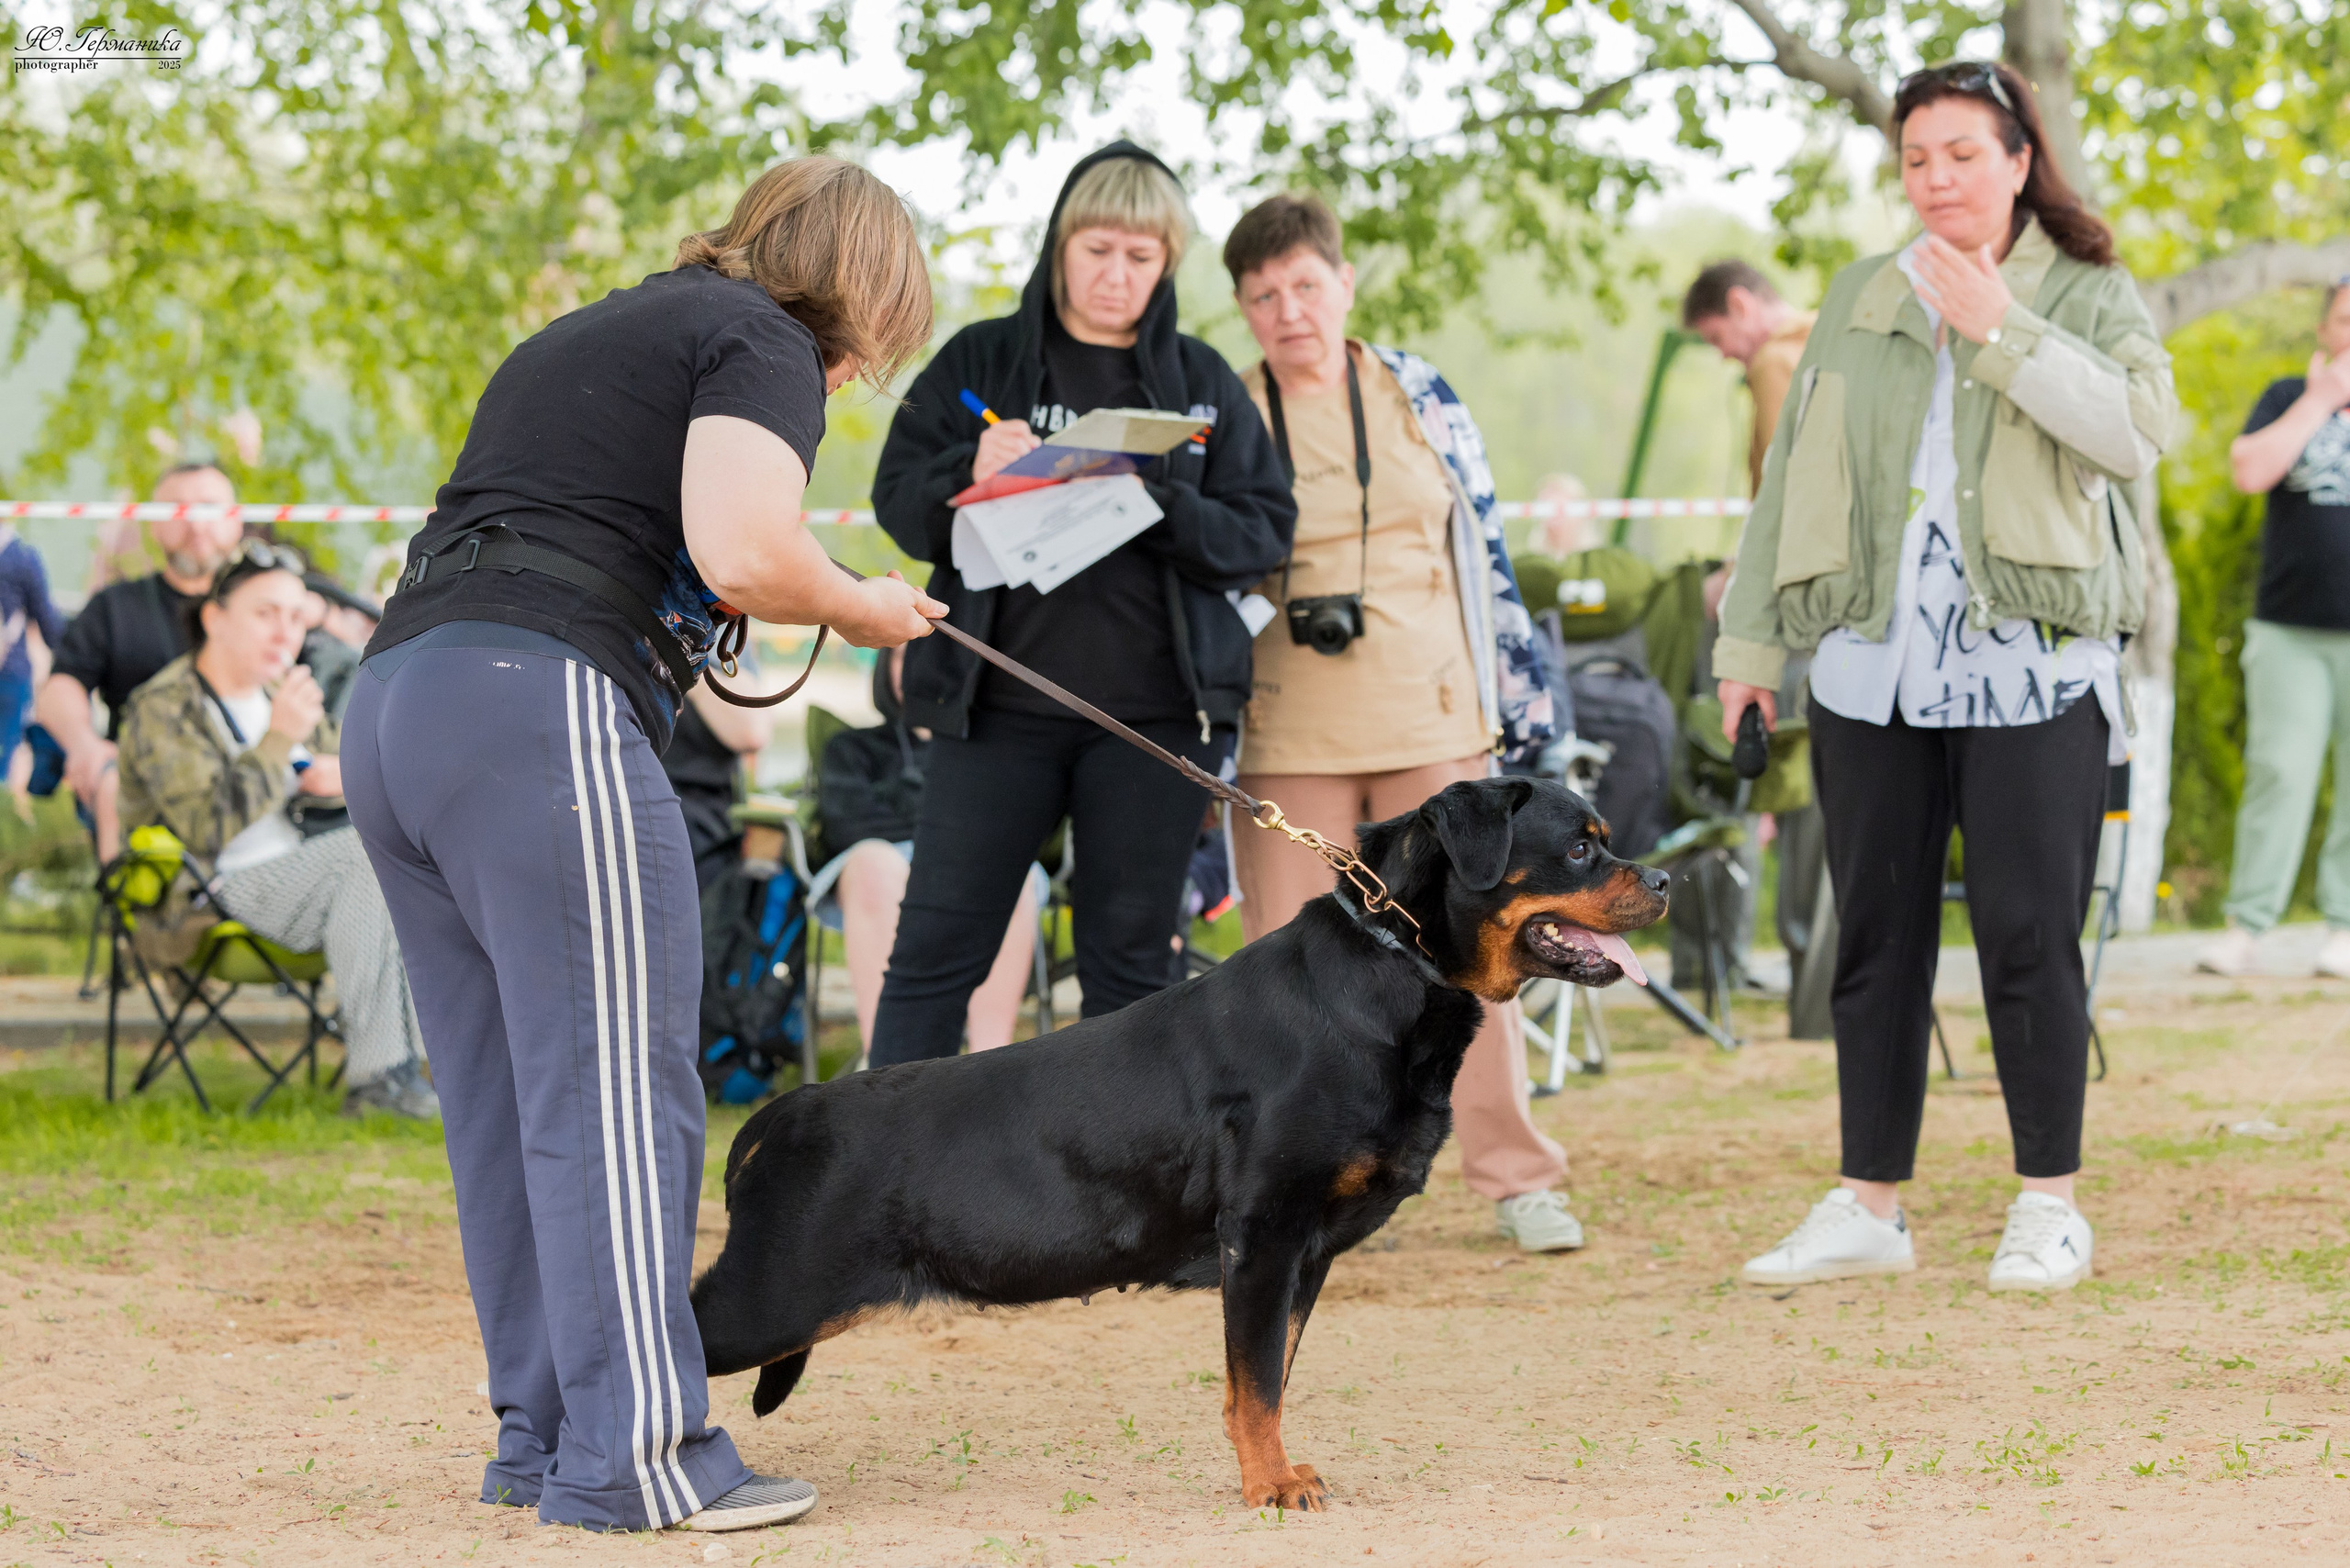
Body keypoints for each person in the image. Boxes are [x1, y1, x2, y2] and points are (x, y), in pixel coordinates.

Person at [342, 156, 943, 1534]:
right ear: (852, 290)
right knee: (615, 1087)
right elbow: (742, 546)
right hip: (534, 710)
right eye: (866, 347)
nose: (847, 380)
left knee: (505, 1102)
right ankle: (640, 1454)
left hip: (400, 705)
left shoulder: (597, 325)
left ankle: (547, 1436)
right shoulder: (761, 336)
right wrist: (853, 603)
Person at [1714, 62, 2175, 1294]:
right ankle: (1870, 1202)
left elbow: (2139, 433)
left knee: (2031, 937)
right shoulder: (1862, 293)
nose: (1937, 178)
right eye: (1918, 157)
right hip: (1872, 672)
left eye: (1964, 153)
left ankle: (2048, 1204)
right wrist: (1751, 653)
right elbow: (1788, 487)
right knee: (1875, 939)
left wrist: (2000, 329)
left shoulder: (2084, 288)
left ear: (2020, 162)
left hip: (2036, 671)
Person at [867, 142, 1293, 1066]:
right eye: (1098, 249)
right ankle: (883, 1181)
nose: (1116, 275)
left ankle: (1115, 1194)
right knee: (937, 952)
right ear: (1060, 244)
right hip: (994, 715)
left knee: (1132, 970)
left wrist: (1154, 494)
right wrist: (966, 472)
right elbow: (894, 500)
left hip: (1151, 723)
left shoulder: (1200, 381)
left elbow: (1264, 533)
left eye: (1141, 258)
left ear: (1168, 264)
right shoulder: (984, 358)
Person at [1219, 193, 1576, 1252]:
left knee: (1483, 950)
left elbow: (1488, 543)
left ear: (1345, 284)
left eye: (1305, 285)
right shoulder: (1228, 408)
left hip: (1432, 711)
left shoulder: (1418, 389)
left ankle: (1516, 1174)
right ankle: (1290, 1187)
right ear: (1243, 309)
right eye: (1263, 295)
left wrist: (1516, 692)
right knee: (1291, 972)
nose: (1290, 311)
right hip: (1288, 725)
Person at [113, 544, 436, 1119]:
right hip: (207, 899)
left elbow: (342, 772)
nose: (284, 632)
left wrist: (340, 777)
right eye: (265, 613)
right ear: (214, 616)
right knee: (364, 858)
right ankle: (380, 1080)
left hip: (302, 885)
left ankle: (412, 1068)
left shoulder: (279, 694)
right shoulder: (164, 706)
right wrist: (278, 741)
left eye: (294, 616)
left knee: (399, 851)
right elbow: (202, 828)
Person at [2199, 281, 2350, 980]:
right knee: (2279, 772)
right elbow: (2251, 470)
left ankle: (2344, 927)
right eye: (2346, 321)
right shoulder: (2287, 395)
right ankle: (2246, 926)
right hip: (2289, 629)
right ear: (2324, 330)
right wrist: (2319, 403)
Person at [806, 646, 1043, 1058]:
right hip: (881, 867)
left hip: (975, 863)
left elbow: (1015, 824)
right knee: (874, 863)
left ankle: (989, 1066)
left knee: (1010, 870)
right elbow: (848, 825)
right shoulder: (851, 749)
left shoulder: (993, 753)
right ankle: (883, 1065)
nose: (919, 664)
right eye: (901, 656)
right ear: (885, 668)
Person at [37, 462, 244, 860]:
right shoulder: (114, 607)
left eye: (209, 507)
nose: (196, 524)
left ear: (236, 520)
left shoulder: (270, 611)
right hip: (139, 781)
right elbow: (60, 689)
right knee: (113, 785)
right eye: (179, 509)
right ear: (153, 523)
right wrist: (84, 746)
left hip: (246, 774)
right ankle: (128, 914)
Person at [1683, 260, 1817, 497]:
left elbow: (1784, 486)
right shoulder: (1832, 343)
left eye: (1717, 337)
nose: (1723, 355)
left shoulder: (1773, 363)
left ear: (1739, 305)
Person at [666, 679, 781, 893]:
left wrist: (691, 673)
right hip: (661, 812)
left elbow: (753, 733)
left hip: (704, 830)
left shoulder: (723, 656)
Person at [0, 523, 66, 816]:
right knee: (6, 747)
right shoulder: (23, 558)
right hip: (10, 672)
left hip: (11, 672)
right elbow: (47, 619)